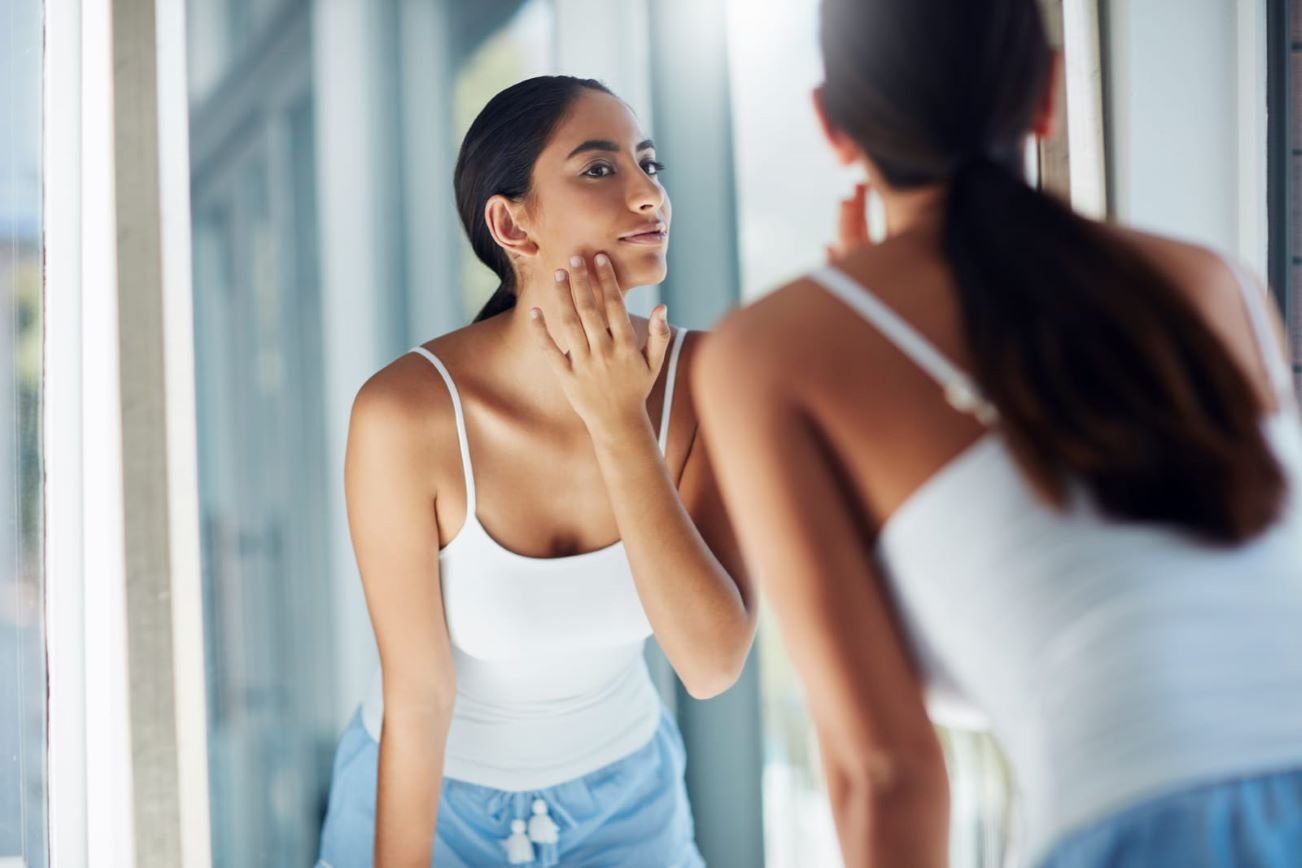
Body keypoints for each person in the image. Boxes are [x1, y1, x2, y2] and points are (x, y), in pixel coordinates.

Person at [692, 1, 1302, 865]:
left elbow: (885, 773)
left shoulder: (768, 355)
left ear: (832, 124)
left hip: (1147, 829)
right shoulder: (1218, 285)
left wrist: (841, 323)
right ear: (1045, 95)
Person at [317, 75, 754, 868]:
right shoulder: (404, 415)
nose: (649, 194)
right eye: (599, 169)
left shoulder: (709, 381)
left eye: (647, 164)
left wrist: (620, 423)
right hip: (432, 798)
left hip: (628, 802)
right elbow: (419, 696)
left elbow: (712, 664)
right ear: (511, 224)